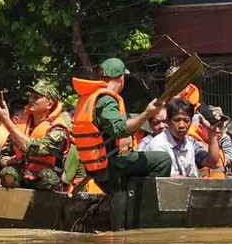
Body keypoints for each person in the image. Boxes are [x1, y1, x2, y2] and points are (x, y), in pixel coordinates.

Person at [71, 58, 171, 194]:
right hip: (110, 164)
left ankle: (134, 198)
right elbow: (119, 129)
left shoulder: (89, 97)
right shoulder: (106, 100)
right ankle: (145, 205)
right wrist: (147, 114)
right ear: (121, 78)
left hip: (95, 166)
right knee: (163, 160)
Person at [0, 80, 72, 191]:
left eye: (36, 97)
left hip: (45, 184)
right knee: (8, 173)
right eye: (30, 96)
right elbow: (4, 154)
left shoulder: (58, 128)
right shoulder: (22, 123)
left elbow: (36, 149)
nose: (31, 100)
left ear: (49, 104)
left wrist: (7, 122)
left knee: (48, 177)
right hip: (21, 178)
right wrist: (7, 161)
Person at [145, 98, 224, 177]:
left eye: (186, 120)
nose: (182, 125)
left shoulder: (191, 143)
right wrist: (193, 182)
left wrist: (211, 132)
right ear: (168, 121)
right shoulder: (158, 144)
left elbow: (213, 163)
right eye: (177, 120)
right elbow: (166, 178)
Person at [186, 105, 232, 177]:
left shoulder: (219, 145)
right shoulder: (190, 146)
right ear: (199, 127)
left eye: (220, 126)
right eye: (212, 125)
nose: (217, 130)